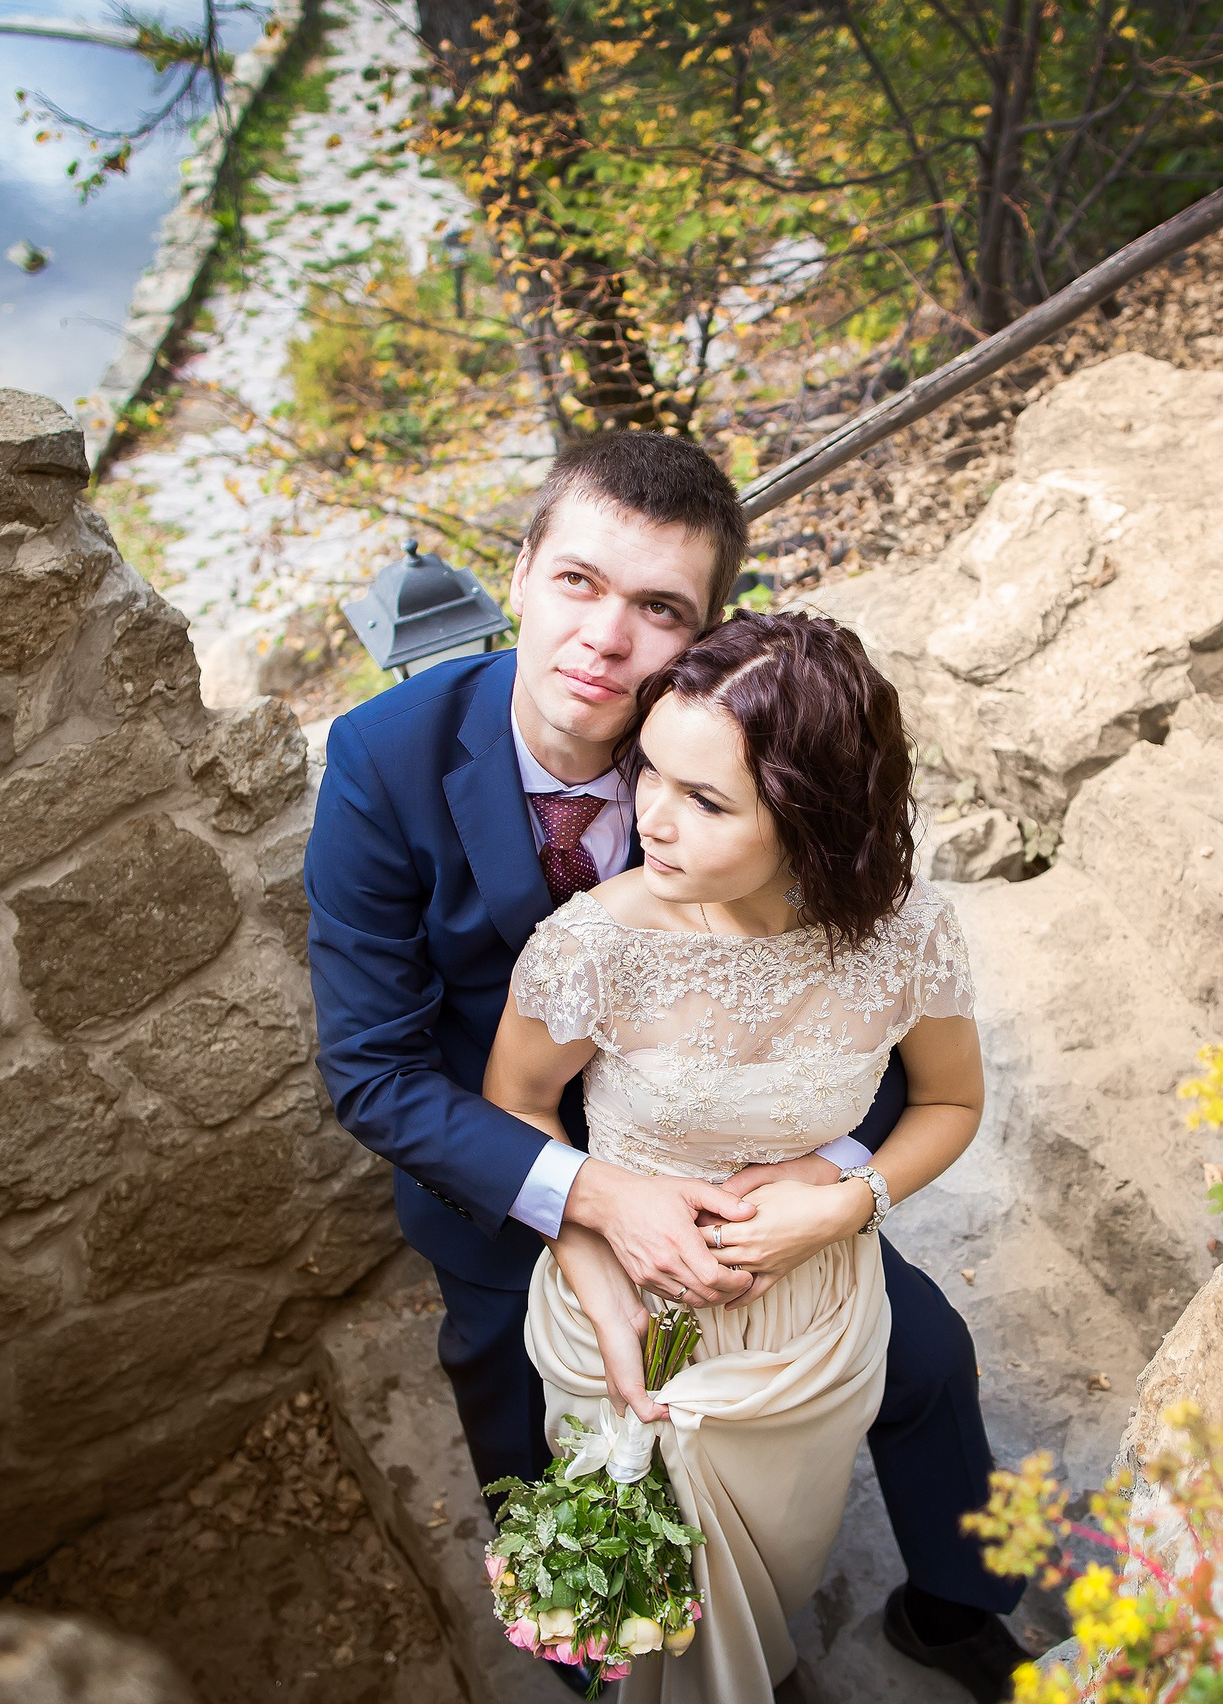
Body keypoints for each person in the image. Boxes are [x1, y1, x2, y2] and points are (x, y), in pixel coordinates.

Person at [305, 432, 1027, 1700]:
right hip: (507, 1173)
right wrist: (583, 1201)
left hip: (732, 1159)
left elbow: (883, 1009)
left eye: (657, 609)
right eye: (578, 581)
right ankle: (605, 1644)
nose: (604, 638)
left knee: (925, 1360)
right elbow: (371, 1071)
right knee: (527, 1415)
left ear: (704, 631)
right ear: (519, 573)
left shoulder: (744, 751)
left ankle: (959, 1605)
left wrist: (832, 1171)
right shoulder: (383, 761)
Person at [490, 609, 990, 1700]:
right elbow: (515, 1110)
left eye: (706, 800)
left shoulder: (905, 933)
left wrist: (846, 1204)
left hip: (815, 1311)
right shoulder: (594, 948)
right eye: (651, 775)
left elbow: (950, 1100)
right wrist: (598, 1278)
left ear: (814, 819)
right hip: (625, 1309)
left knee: (777, 1559)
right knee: (654, 1600)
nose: (651, 822)